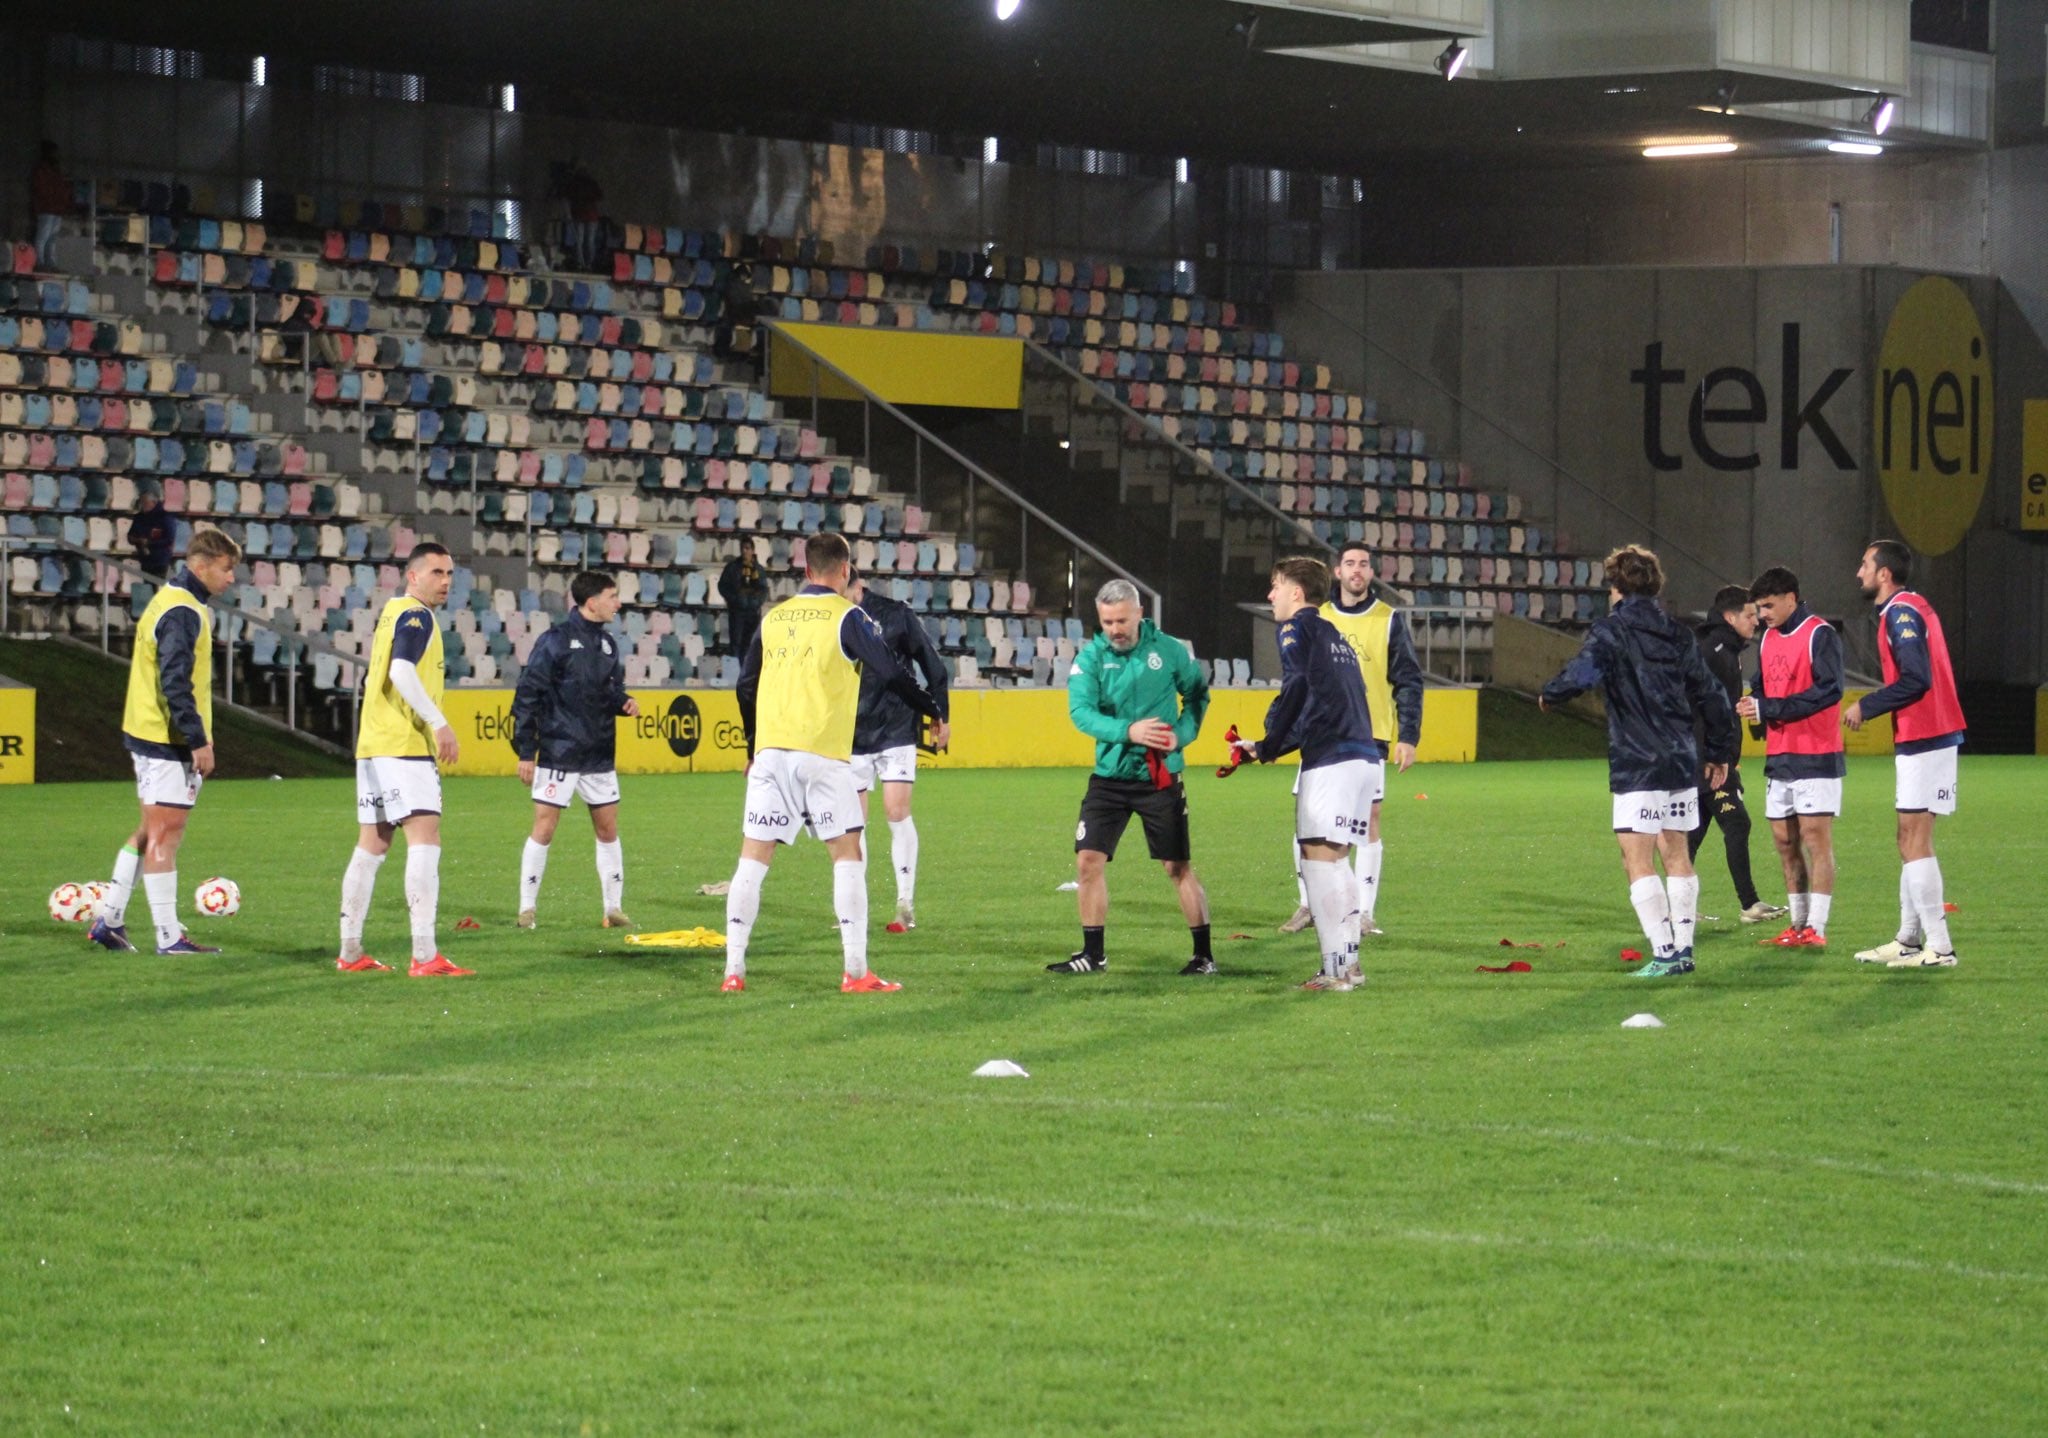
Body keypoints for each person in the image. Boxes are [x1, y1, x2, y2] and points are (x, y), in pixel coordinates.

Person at [721, 532, 943, 994]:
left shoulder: (774, 617)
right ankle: (856, 973)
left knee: (752, 861)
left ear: (805, 571)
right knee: (847, 856)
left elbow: (745, 685)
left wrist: (751, 745)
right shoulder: (849, 616)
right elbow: (890, 671)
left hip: (771, 754)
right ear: (845, 571)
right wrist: (931, 708)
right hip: (823, 755)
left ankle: (734, 972)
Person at [1540, 545, 1736, 979]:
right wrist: (1720, 751)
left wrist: (1549, 694)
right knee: (1677, 853)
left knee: (1637, 859)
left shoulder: (1611, 631)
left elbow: (1582, 675)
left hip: (1638, 760)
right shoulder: (1678, 632)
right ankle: (1684, 950)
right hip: (1682, 758)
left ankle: (1665, 953)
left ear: (1615, 587)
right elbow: (1714, 695)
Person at [88, 529, 242, 955]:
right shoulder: (182, 611)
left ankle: (109, 920)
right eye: (227, 569)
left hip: (149, 731)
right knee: (165, 835)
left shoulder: (173, 601)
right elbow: (175, 681)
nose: (231, 579)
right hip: (165, 739)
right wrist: (197, 740)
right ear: (201, 566)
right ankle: (169, 937)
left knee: (149, 831)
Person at [1051, 578, 1215, 976]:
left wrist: (1183, 735)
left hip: (1159, 777)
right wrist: (1129, 731)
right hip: (1109, 777)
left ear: (1140, 613)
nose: (1114, 629)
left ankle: (1203, 957)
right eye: (1107, 622)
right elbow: (1081, 712)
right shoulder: (1089, 659)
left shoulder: (1170, 651)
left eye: (1121, 620)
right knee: (1088, 861)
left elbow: (1197, 696)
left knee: (1177, 867)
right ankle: (1093, 955)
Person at [1235, 556, 1383, 990]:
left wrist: (1270, 738)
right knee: (1336, 861)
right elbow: (1323, 702)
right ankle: (1349, 966)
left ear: (1296, 592)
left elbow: (1295, 685)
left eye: (1275, 585)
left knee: (1318, 862)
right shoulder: (1334, 633)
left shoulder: (1294, 628)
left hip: (1332, 761)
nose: (1270, 595)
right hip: (1362, 757)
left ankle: (1334, 971)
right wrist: (1264, 748)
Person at [337, 544, 469, 977]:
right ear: (412, 576)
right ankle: (426, 955)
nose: (445, 581)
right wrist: (438, 722)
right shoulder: (417, 615)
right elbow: (401, 671)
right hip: (403, 745)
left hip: (374, 744)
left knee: (372, 846)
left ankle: (351, 951)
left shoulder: (392, 612)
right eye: (436, 572)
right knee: (425, 840)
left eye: (449, 573)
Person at [1278, 540, 1421, 938]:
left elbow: (1407, 679)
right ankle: (1308, 903)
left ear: (1371, 573)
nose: (1357, 570)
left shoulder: (1388, 618)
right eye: (1350, 563)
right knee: (1309, 816)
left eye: (1364, 564)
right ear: (1337, 572)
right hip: (1322, 731)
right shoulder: (1317, 617)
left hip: (1370, 735)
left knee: (1368, 821)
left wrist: (1408, 735)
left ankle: (1363, 912)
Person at [1844, 540, 1967, 969]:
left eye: (1864, 565)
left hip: (1928, 734)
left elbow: (1917, 679)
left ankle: (1941, 947)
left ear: (1883, 574)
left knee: (1914, 840)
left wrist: (1867, 706)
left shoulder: (1901, 612)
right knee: (1908, 839)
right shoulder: (1908, 608)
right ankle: (1909, 939)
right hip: (1927, 734)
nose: (1858, 572)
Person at [511, 569, 642, 930]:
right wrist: (526, 750)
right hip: (560, 753)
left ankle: (613, 909)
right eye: (612, 596)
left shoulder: (608, 644)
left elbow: (609, 691)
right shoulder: (554, 641)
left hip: (598, 753)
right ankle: (527, 909)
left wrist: (624, 702)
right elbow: (527, 695)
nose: (618, 603)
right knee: (545, 828)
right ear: (592, 601)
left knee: (608, 829)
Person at [1735, 567, 1845, 950]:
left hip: (1816, 753)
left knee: (1816, 839)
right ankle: (1797, 926)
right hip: (1779, 754)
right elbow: (1763, 685)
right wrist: (1755, 706)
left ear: (1790, 598)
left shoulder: (1819, 634)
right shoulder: (1766, 640)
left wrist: (1772, 707)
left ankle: (1817, 927)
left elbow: (1829, 691)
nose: (1762, 614)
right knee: (1784, 841)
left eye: (1768, 605)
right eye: (1759, 607)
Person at [848, 572, 951, 934]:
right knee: (851, 823)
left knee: (896, 812)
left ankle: (904, 903)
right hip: (851, 734)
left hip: (895, 727)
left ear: (855, 586)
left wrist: (942, 714)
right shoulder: (834, 617)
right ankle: (853, 906)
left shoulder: (895, 614)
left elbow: (933, 665)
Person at [1689, 585, 1784, 925]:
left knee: (1694, 831)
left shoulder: (1721, 647)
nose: (1756, 620)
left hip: (1706, 753)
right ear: (1730, 617)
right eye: (1749, 614)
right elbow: (1705, 707)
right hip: (1710, 757)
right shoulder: (1717, 651)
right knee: (1736, 823)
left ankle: (1676, 908)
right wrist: (1716, 757)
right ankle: (1750, 905)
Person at [718, 537, 772, 660]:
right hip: (737, 612)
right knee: (736, 643)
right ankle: (736, 672)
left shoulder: (758, 569)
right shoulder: (732, 567)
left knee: (750, 643)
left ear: (752, 550)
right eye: (742, 548)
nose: (744, 551)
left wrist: (757, 602)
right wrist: (734, 599)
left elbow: (763, 589)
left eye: (747, 548)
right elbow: (722, 586)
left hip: (753, 612)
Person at [29, 141, 70, 271]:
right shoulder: (43, 169)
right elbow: (42, 189)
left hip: (55, 207)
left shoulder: (54, 169)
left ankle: (49, 263)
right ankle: (40, 262)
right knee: (43, 236)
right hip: (47, 207)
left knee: (51, 238)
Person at [127, 485, 175, 579]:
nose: (143, 505)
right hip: (145, 559)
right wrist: (136, 540)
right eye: (141, 503)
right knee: (148, 586)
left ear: (154, 502)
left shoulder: (165, 517)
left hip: (160, 559)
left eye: (145, 503)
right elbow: (131, 535)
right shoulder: (139, 517)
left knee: (158, 586)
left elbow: (169, 539)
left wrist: (149, 542)